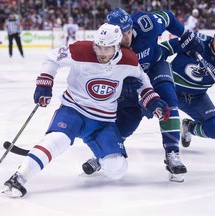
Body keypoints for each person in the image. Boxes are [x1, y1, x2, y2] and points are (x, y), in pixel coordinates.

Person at [1, 23, 170, 197]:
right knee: (58, 139)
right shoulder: (81, 50)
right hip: (74, 110)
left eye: (107, 48)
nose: (101, 52)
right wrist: (45, 81)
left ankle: (100, 155)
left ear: (117, 46)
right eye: (99, 47)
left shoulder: (129, 60)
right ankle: (19, 177)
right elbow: (51, 58)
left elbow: (143, 81)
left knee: (117, 169)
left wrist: (152, 99)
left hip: (104, 121)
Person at [82, 8, 204, 182]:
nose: (126, 38)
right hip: (130, 80)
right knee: (129, 120)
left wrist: (185, 34)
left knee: (169, 102)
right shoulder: (107, 42)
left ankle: (172, 154)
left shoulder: (147, 23)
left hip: (155, 66)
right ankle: (105, 153)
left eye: (128, 31)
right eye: (121, 34)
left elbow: (168, 17)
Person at [160, 23, 215, 147]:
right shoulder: (195, 41)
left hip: (197, 98)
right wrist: (153, 64)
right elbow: (166, 48)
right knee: (139, 108)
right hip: (169, 89)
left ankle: (189, 127)